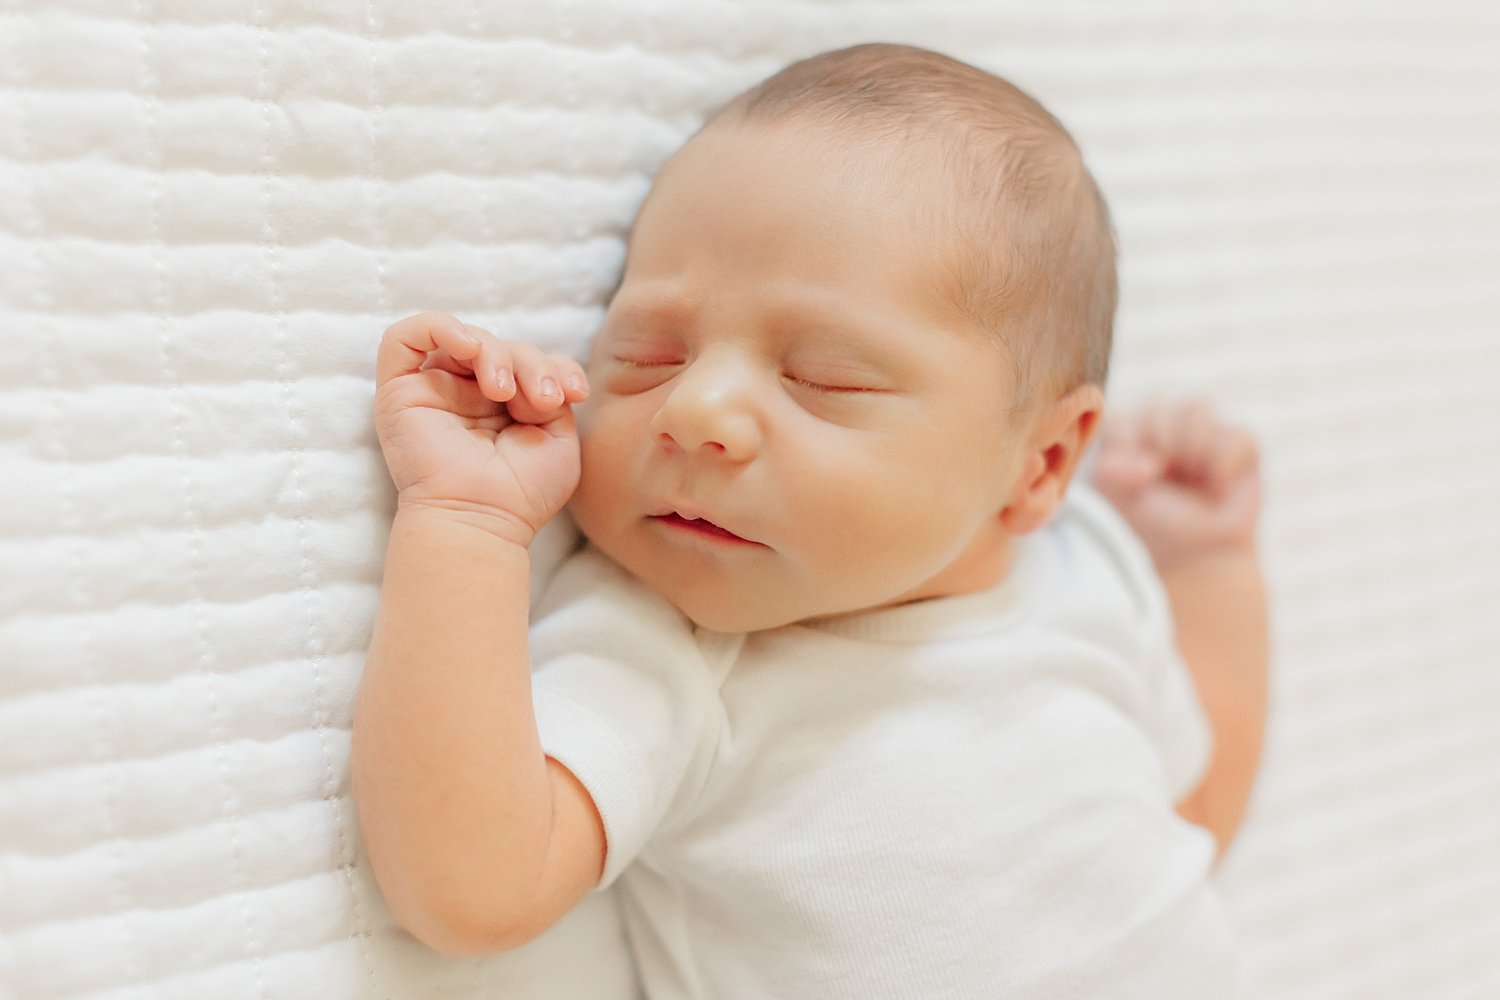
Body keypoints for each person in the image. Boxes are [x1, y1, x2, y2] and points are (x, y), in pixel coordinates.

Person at [352, 43, 1268, 998]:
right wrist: (464, 522)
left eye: (823, 378)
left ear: (1041, 464)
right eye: (649, 354)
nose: (696, 411)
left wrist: (1206, 570)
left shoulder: (1094, 573)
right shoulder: (678, 651)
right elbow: (469, 892)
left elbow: (1193, 820)